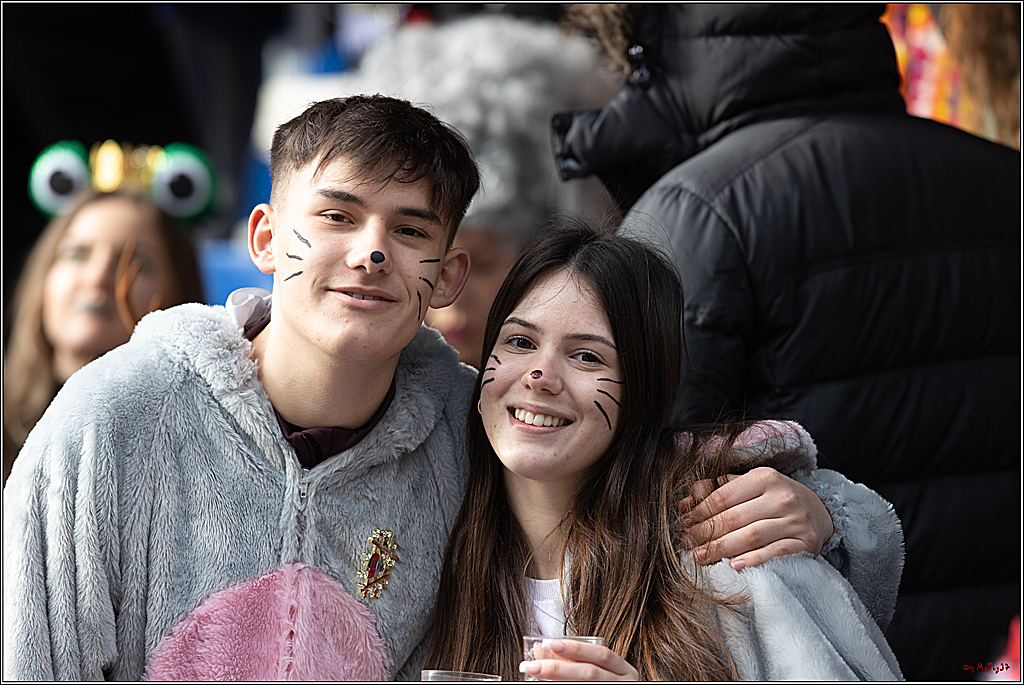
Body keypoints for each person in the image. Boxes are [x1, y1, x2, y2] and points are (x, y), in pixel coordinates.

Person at [4, 95, 884, 681]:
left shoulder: (466, 431)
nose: (372, 249)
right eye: (339, 216)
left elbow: (642, 460)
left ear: (450, 275)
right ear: (267, 237)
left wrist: (829, 519)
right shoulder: (113, 420)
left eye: (408, 228)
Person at [550, 5, 1019, 679]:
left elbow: (629, 488)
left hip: (818, 647)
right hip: (998, 645)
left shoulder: (695, 213)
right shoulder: (1007, 178)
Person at [425, 218, 903, 680]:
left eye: (587, 355)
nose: (540, 376)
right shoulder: (426, 535)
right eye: (520, 341)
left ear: (644, 391)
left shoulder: (731, 553)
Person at [2, 189, 203, 482]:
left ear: (178, 295)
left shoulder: (197, 458)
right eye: (77, 254)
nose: (98, 277)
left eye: (136, 263)